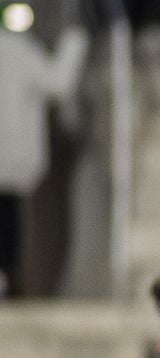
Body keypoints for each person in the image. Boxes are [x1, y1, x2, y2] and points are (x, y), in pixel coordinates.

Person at [0, 21, 88, 298]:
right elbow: (58, 83)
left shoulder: (17, 48)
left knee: (7, 216)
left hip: (9, 157)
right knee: (8, 218)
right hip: (11, 156)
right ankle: (7, 277)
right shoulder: (19, 48)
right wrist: (76, 38)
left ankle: (7, 278)